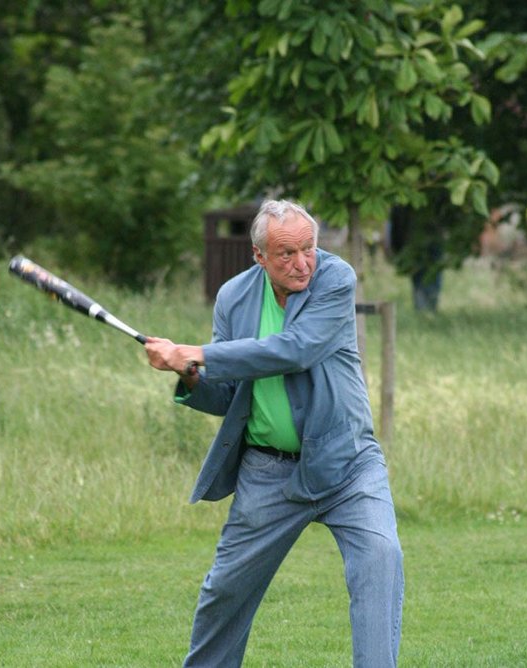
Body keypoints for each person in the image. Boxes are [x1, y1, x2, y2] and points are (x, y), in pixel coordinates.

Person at [144, 199, 404, 667]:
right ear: (259, 256)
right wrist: (189, 373)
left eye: (309, 248)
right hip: (267, 472)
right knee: (226, 589)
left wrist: (199, 352)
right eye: (286, 254)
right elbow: (227, 396)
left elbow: (296, 350)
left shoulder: (335, 279)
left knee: (380, 560)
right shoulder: (233, 297)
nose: (302, 262)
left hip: (347, 461)